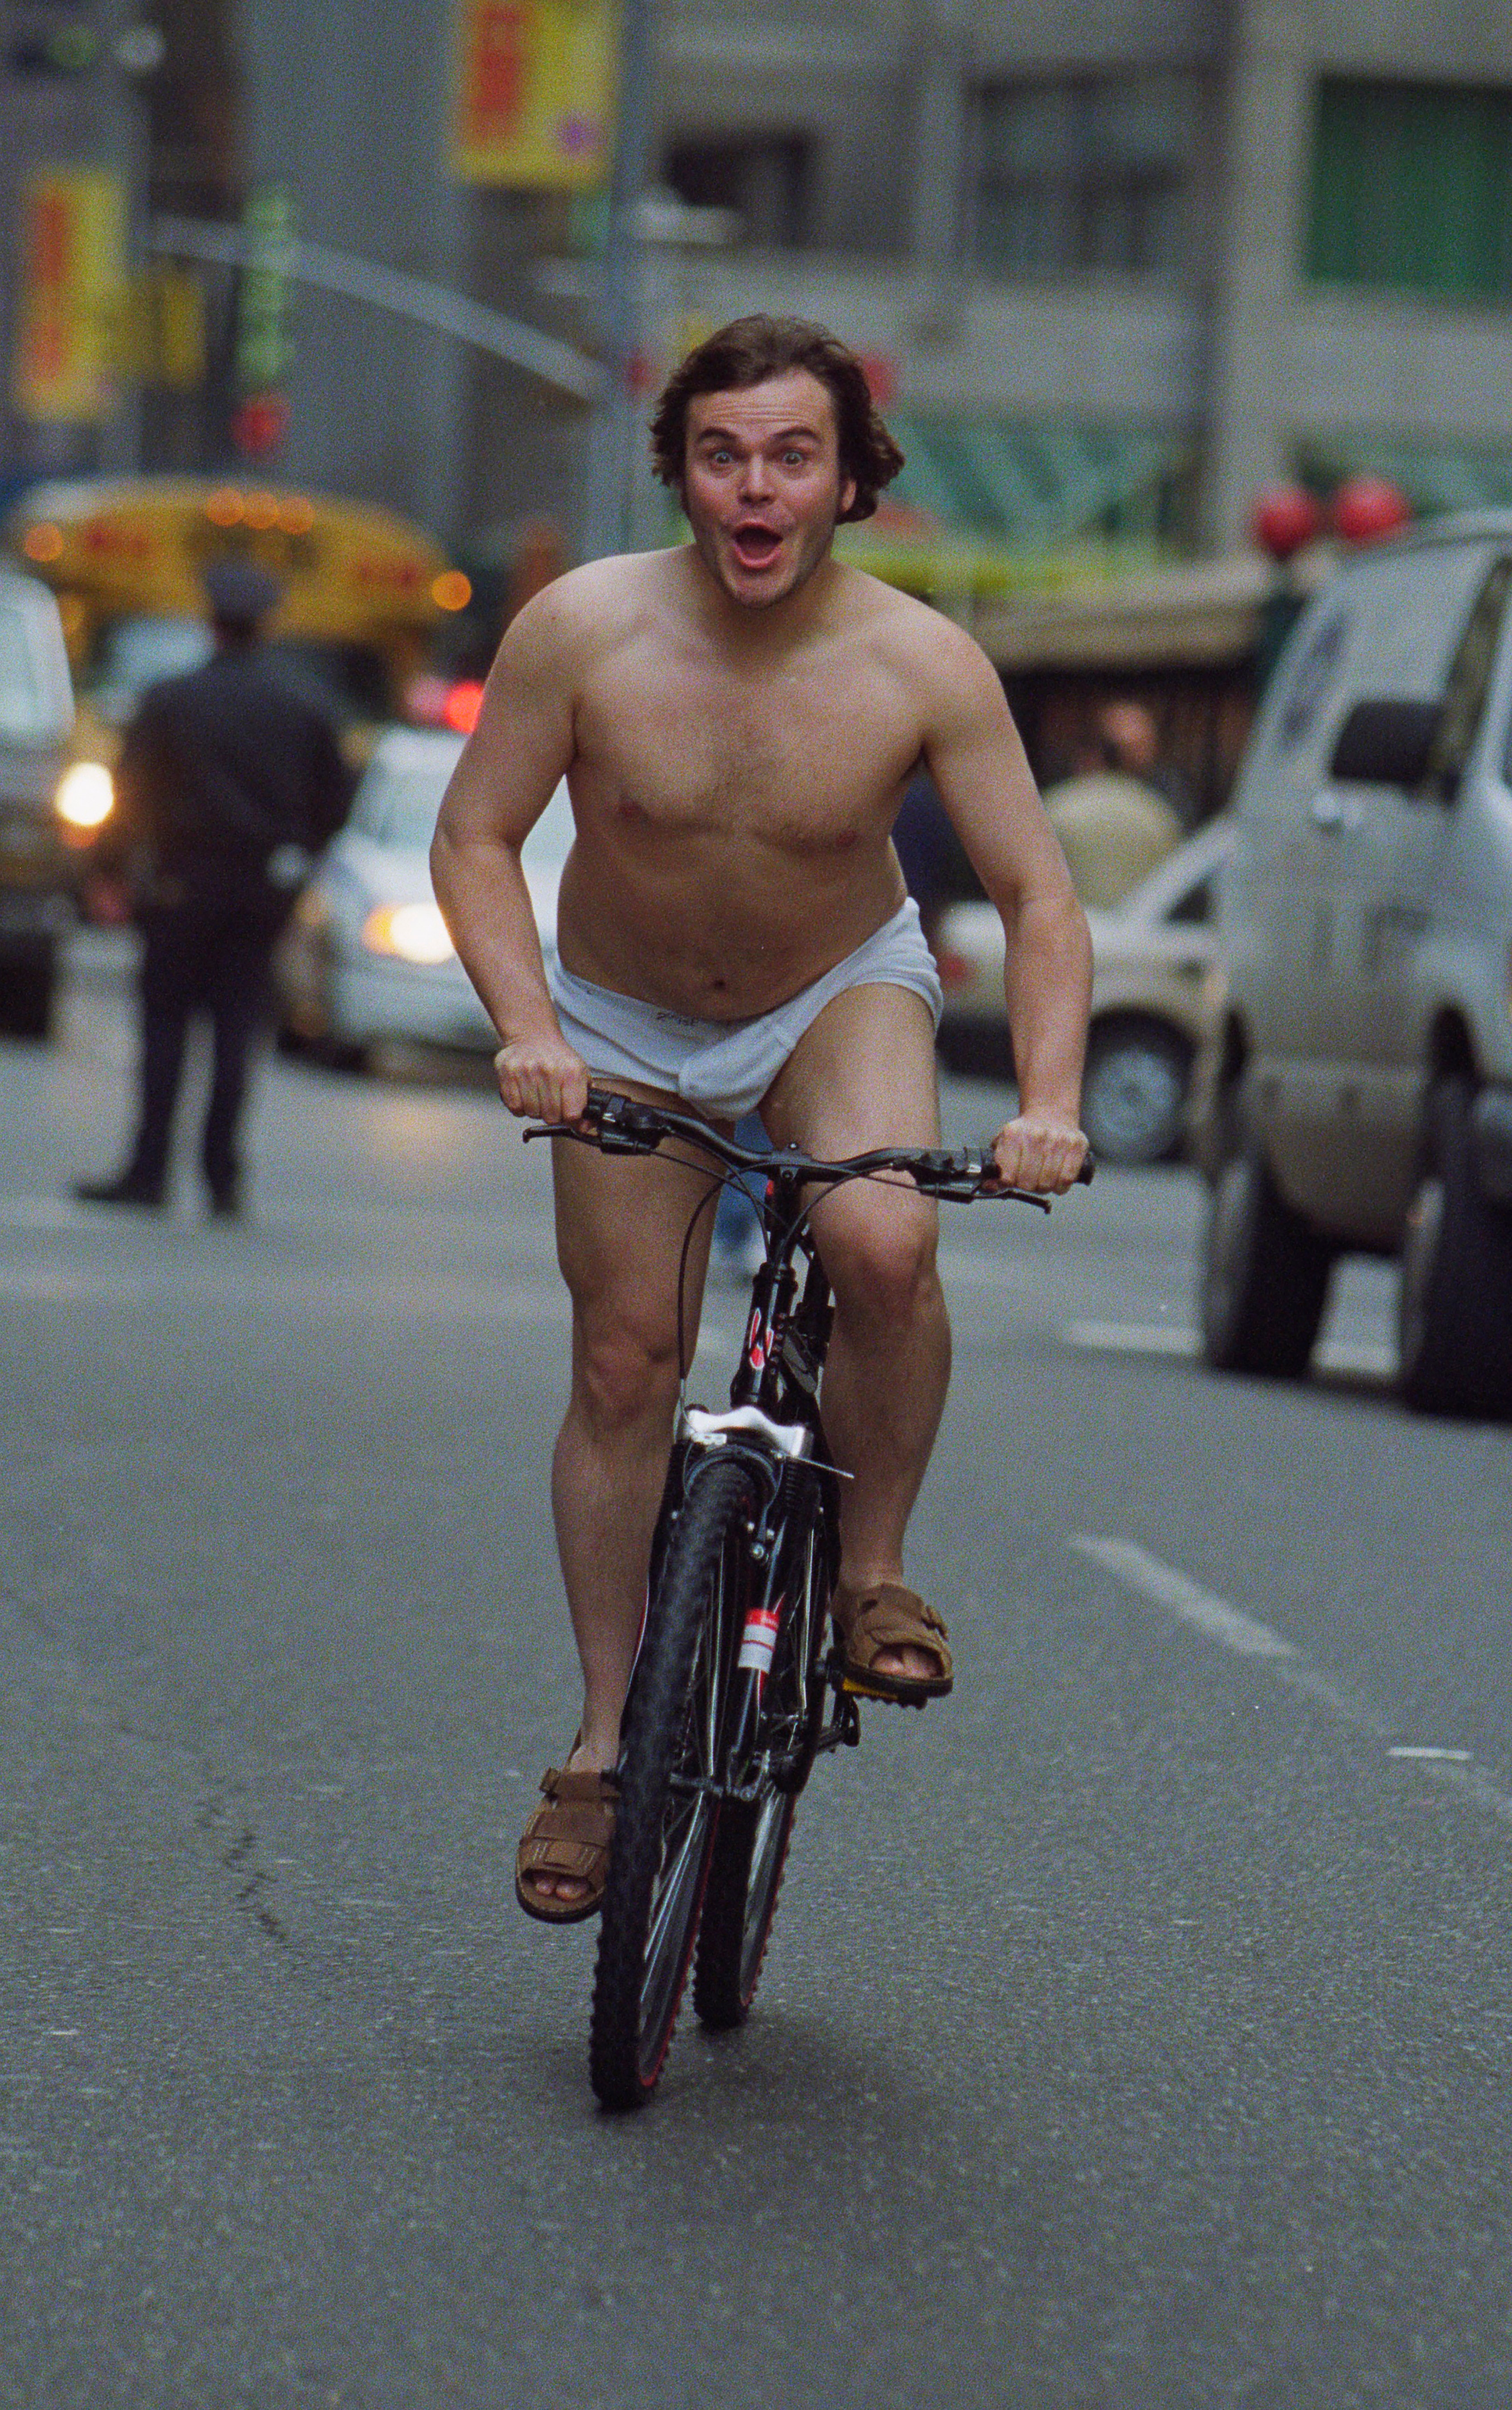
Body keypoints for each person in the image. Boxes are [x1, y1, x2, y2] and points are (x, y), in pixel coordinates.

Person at [431, 314, 1092, 1920]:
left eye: (794, 455)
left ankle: (870, 1579)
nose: (755, 487)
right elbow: (474, 838)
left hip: (830, 995)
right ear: (679, 471)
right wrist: (529, 1030)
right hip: (616, 1023)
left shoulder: (924, 662)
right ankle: (602, 1752)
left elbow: (1038, 893)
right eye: (722, 454)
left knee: (881, 1236)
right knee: (621, 1364)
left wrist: (1053, 1103)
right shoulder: (581, 632)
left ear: (851, 480)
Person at [74, 560, 351, 1217]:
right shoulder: (306, 707)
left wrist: (109, 872)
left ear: (210, 622)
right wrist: (298, 858)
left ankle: (148, 1172)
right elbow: (335, 802)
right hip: (261, 888)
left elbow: (131, 790)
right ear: (269, 624)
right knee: (236, 1028)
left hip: (181, 881)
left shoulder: (173, 697)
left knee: (165, 1027)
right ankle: (222, 1178)